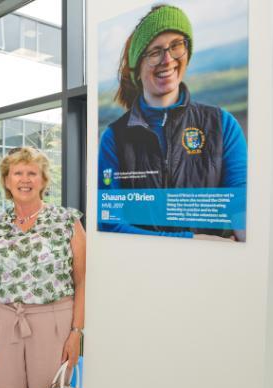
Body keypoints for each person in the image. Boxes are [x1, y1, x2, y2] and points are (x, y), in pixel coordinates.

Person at [98, 4, 247, 240]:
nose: (167, 60)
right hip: (139, 267)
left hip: (211, 270)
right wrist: (191, 241)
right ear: (137, 68)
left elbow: (241, 208)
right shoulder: (114, 138)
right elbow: (110, 223)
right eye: (155, 52)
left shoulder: (223, 125)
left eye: (176, 45)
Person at [0, 147, 86, 388]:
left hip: (53, 324)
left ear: (43, 180)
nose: (25, 179)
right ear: (7, 181)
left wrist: (77, 333)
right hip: (3, 323)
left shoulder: (67, 221)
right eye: (18, 173)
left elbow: (83, 280)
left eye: (32, 173)